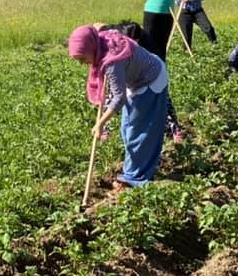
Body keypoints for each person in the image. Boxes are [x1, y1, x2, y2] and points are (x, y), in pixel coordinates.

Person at [68, 24, 168, 190]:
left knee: (139, 132)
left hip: (150, 80)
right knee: (127, 130)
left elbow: (118, 98)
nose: (82, 64)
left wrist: (100, 124)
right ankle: (134, 169)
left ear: (91, 48)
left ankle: (134, 177)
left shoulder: (112, 63)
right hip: (135, 80)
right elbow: (99, 28)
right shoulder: (101, 40)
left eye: (82, 59)